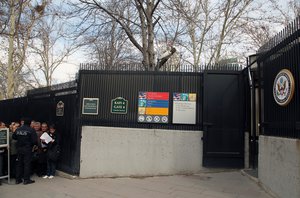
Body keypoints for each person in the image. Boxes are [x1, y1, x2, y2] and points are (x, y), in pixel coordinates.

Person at [12, 118, 37, 185]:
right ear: (29, 123)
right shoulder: (31, 130)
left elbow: (14, 137)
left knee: (19, 164)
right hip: (27, 149)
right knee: (27, 164)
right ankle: (26, 180)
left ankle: (18, 180)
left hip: (19, 149)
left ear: (23, 123)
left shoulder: (18, 129)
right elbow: (35, 141)